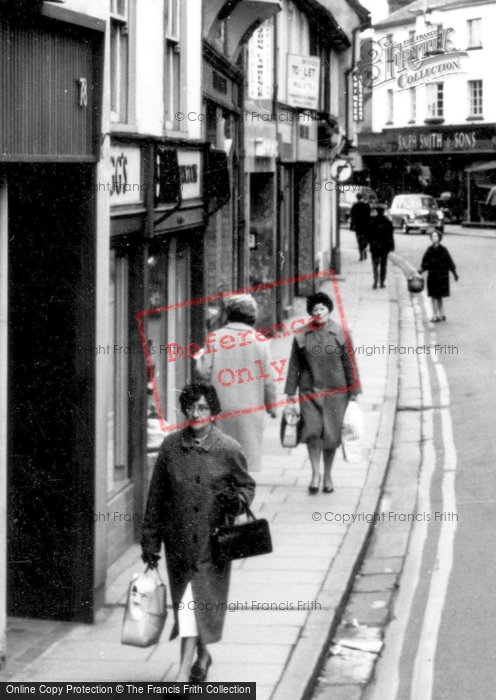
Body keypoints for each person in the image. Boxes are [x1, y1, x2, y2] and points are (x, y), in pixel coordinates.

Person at [141, 382, 255, 683]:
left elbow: (247, 485)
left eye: (203, 407)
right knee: (189, 605)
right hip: (177, 544)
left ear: (213, 411)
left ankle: (180, 674)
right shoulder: (170, 447)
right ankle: (203, 657)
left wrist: (237, 501)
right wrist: (150, 545)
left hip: (212, 544)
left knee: (193, 605)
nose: (196, 413)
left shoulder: (228, 448)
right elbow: (156, 497)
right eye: (191, 407)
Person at [284, 292, 361, 495]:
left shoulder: (341, 333)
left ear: (329, 310)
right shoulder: (301, 335)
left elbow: (350, 363)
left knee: (331, 435)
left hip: (336, 393)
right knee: (313, 433)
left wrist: (354, 391)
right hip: (309, 392)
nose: (319, 313)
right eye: (315, 309)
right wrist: (290, 392)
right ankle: (315, 474)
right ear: (311, 312)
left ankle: (327, 475)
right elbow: (294, 365)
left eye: (322, 309)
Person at [195, 293, 277, 472]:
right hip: (250, 410)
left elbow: (202, 372)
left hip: (221, 407)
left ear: (229, 313)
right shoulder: (260, 341)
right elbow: (268, 380)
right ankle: (239, 495)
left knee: (220, 459)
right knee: (244, 461)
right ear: (252, 315)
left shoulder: (214, 338)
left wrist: (199, 359)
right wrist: (272, 407)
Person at [418, 230, 458, 322]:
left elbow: (449, 261)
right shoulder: (429, 249)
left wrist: (454, 273)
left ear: (439, 238)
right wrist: (421, 270)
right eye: (432, 236)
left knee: (437, 296)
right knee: (435, 296)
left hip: (442, 275)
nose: (433, 237)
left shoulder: (443, 249)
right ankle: (440, 314)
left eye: (435, 236)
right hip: (433, 275)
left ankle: (436, 315)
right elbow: (425, 263)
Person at [368, 206, 395, 289]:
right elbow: (390, 236)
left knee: (375, 264)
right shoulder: (388, 222)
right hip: (384, 247)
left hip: (374, 246)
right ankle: (382, 282)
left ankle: (375, 280)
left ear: (377, 211)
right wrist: (392, 246)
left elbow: (369, 236)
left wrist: (370, 244)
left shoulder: (372, 221)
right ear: (383, 212)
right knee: (383, 264)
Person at [350, 193, 371, 261]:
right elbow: (369, 216)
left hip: (358, 226)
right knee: (365, 240)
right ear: (362, 197)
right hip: (366, 226)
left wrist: (352, 225)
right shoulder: (366, 205)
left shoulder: (355, 206)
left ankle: (361, 255)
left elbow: (352, 216)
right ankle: (364, 251)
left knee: (359, 240)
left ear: (357, 198)